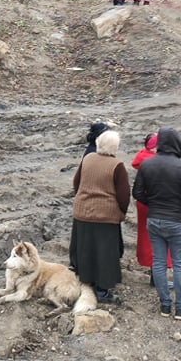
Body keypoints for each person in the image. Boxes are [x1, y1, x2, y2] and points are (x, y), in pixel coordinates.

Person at [132, 127, 181, 320]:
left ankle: (164, 305)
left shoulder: (147, 165)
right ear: (177, 143)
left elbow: (137, 193)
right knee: (179, 263)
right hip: (176, 220)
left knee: (159, 262)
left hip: (154, 220)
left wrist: (153, 204)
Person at [69, 129, 129, 304]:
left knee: (85, 248)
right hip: (105, 215)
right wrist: (120, 212)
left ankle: (85, 279)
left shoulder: (87, 159)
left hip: (82, 211)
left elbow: (76, 182)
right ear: (115, 147)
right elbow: (123, 195)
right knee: (105, 253)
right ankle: (102, 291)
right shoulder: (117, 165)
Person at [131, 133, 172, 281]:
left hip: (144, 204)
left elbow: (137, 191)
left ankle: (154, 273)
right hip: (158, 205)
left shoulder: (142, 158)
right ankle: (158, 277)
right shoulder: (158, 163)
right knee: (161, 239)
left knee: (147, 238)